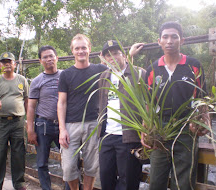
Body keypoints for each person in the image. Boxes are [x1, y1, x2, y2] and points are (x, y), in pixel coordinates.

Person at [132, 21, 210, 190]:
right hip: (160, 131)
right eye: (165, 37)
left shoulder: (193, 66)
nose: (169, 41)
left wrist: (204, 120)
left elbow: (202, 98)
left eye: (174, 37)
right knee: (156, 181)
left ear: (182, 40)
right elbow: (148, 103)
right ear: (159, 41)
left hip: (186, 129)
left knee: (183, 182)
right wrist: (146, 129)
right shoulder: (152, 69)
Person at [58, 34, 107, 190]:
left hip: (93, 123)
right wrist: (62, 129)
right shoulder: (65, 74)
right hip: (71, 125)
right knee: (68, 167)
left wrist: (130, 56)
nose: (81, 51)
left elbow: (120, 73)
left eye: (83, 47)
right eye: (77, 48)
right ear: (72, 51)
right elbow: (62, 102)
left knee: (92, 166)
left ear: (89, 49)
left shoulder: (100, 69)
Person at [98, 40, 146, 190]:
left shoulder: (138, 73)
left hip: (128, 137)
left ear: (124, 55)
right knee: (106, 177)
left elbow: (148, 103)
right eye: (108, 55)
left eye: (116, 53)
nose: (112, 58)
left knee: (128, 180)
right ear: (104, 59)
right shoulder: (103, 77)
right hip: (106, 136)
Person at [0, 52, 29, 190]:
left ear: (15, 64)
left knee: (18, 155)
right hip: (0, 122)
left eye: (9, 62)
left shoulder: (22, 80)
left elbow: (27, 100)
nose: (7, 64)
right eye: (4, 62)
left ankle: (19, 184)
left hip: (18, 122)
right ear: (0, 65)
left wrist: (27, 121)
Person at [27, 45, 61, 190]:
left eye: (51, 56)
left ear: (56, 58)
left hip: (63, 125)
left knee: (71, 160)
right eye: (45, 57)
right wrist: (30, 129)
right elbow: (31, 106)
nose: (49, 59)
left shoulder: (65, 76)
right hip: (43, 124)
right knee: (41, 162)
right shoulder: (37, 81)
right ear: (40, 60)